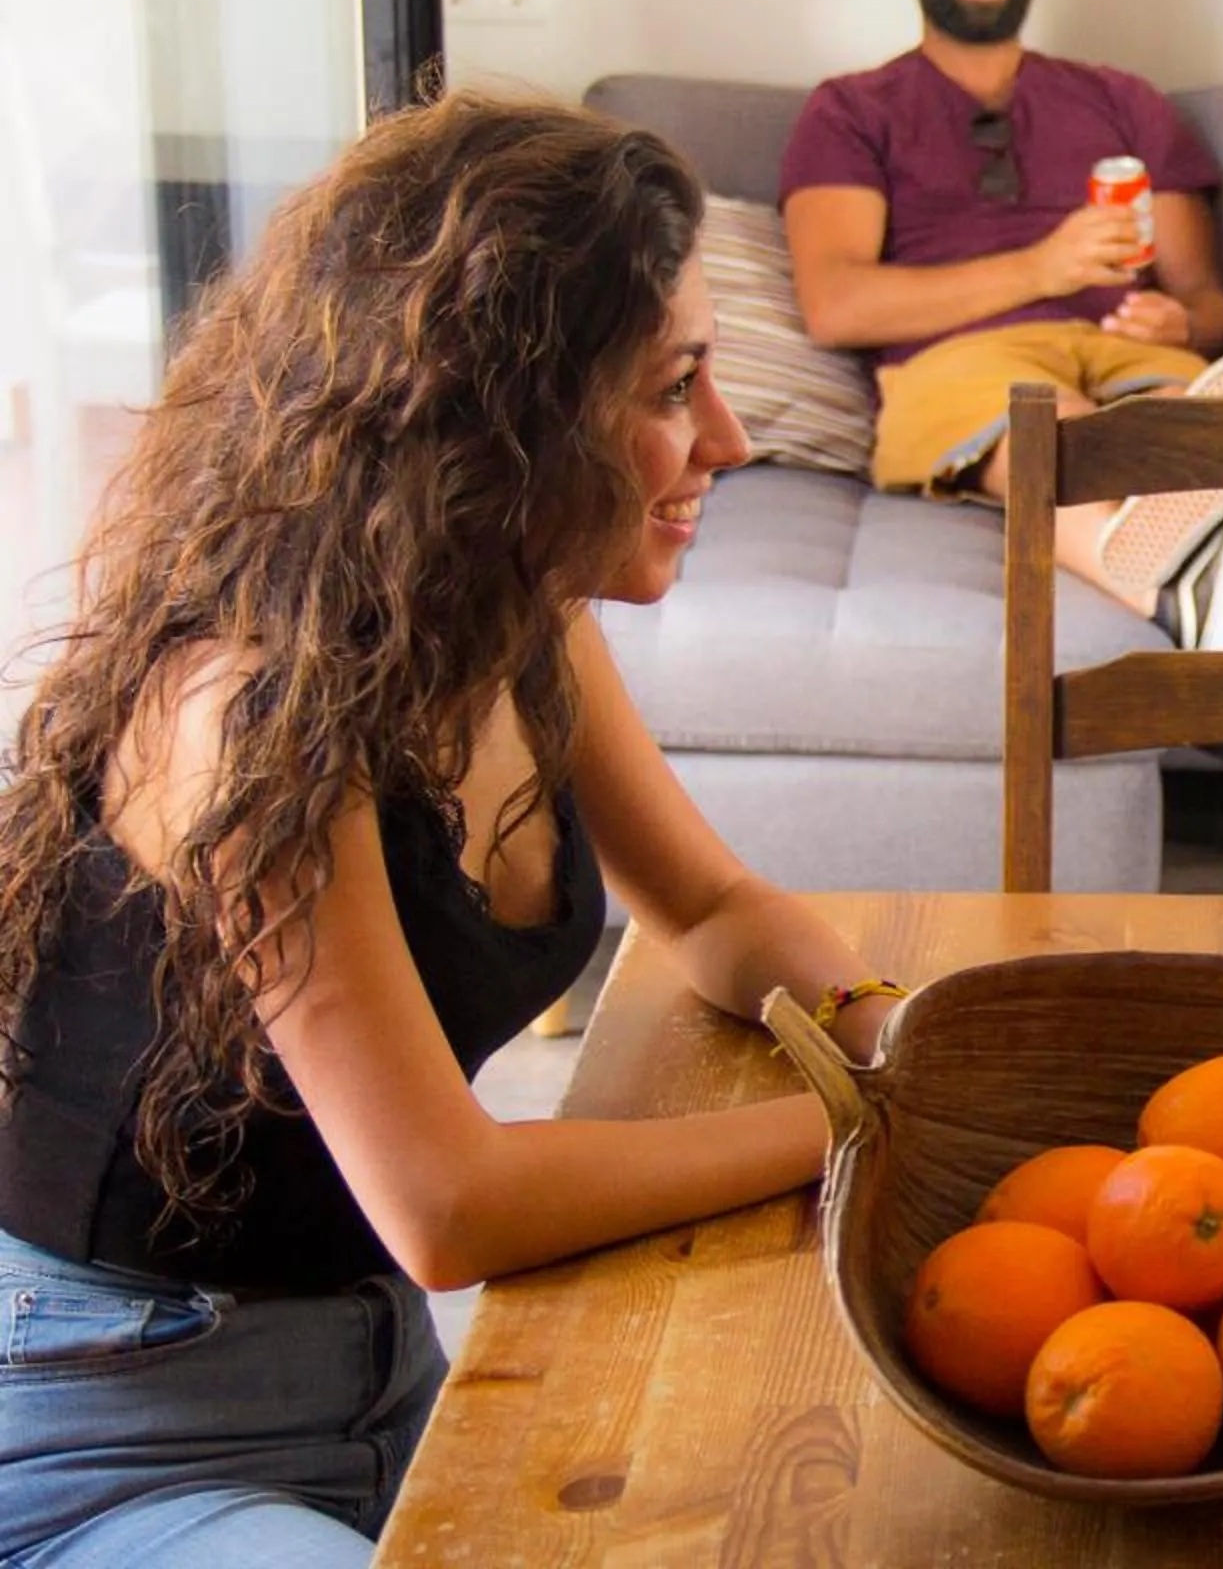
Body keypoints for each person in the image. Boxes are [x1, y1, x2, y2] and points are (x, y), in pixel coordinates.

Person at [0, 95, 908, 1566]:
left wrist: (888, 1029)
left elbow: (716, 909)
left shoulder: (515, 618)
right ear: (505, 413)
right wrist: (856, 1126)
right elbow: (448, 1205)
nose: (727, 441)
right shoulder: (253, 710)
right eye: (675, 388)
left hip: (388, 1376)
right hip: (113, 1432)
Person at [782, 0, 1223, 650]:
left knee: (1179, 414)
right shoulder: (852, 109)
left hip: (1128, 358)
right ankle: (1190, 604)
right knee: (1055, 429)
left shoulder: (1122, 100)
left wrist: (1182, 324)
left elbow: (1207, 304)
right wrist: (1041, 267)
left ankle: (1194, 549)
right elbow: (836, 305)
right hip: (959, 365)